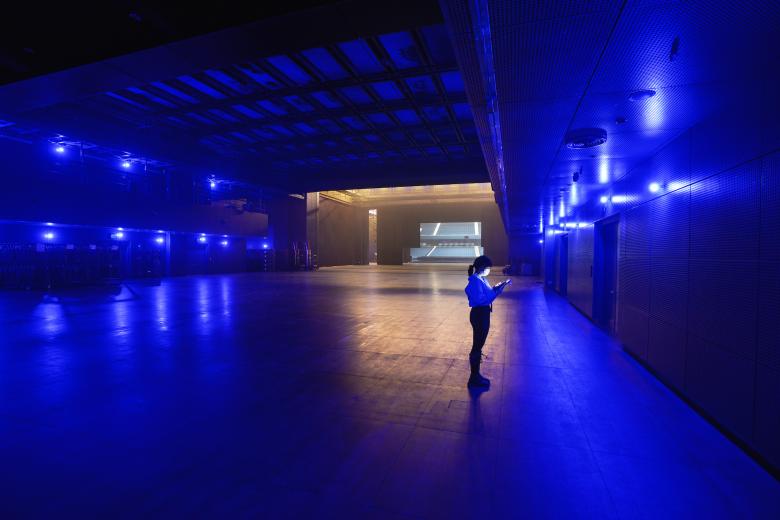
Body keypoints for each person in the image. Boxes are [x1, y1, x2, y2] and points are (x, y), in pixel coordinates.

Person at [464, 255, 511, 388]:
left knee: (479, 345)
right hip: (479, 314)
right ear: (481, 267)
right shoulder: (475, 281)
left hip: (483, 313)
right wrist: (496, 292)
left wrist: (497, 288)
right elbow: (480, 300)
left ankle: (476, 375)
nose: (489, 270)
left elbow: (488, 294)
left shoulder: (481, 279)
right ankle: (474, 378)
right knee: (477, 346)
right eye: (488, 268)